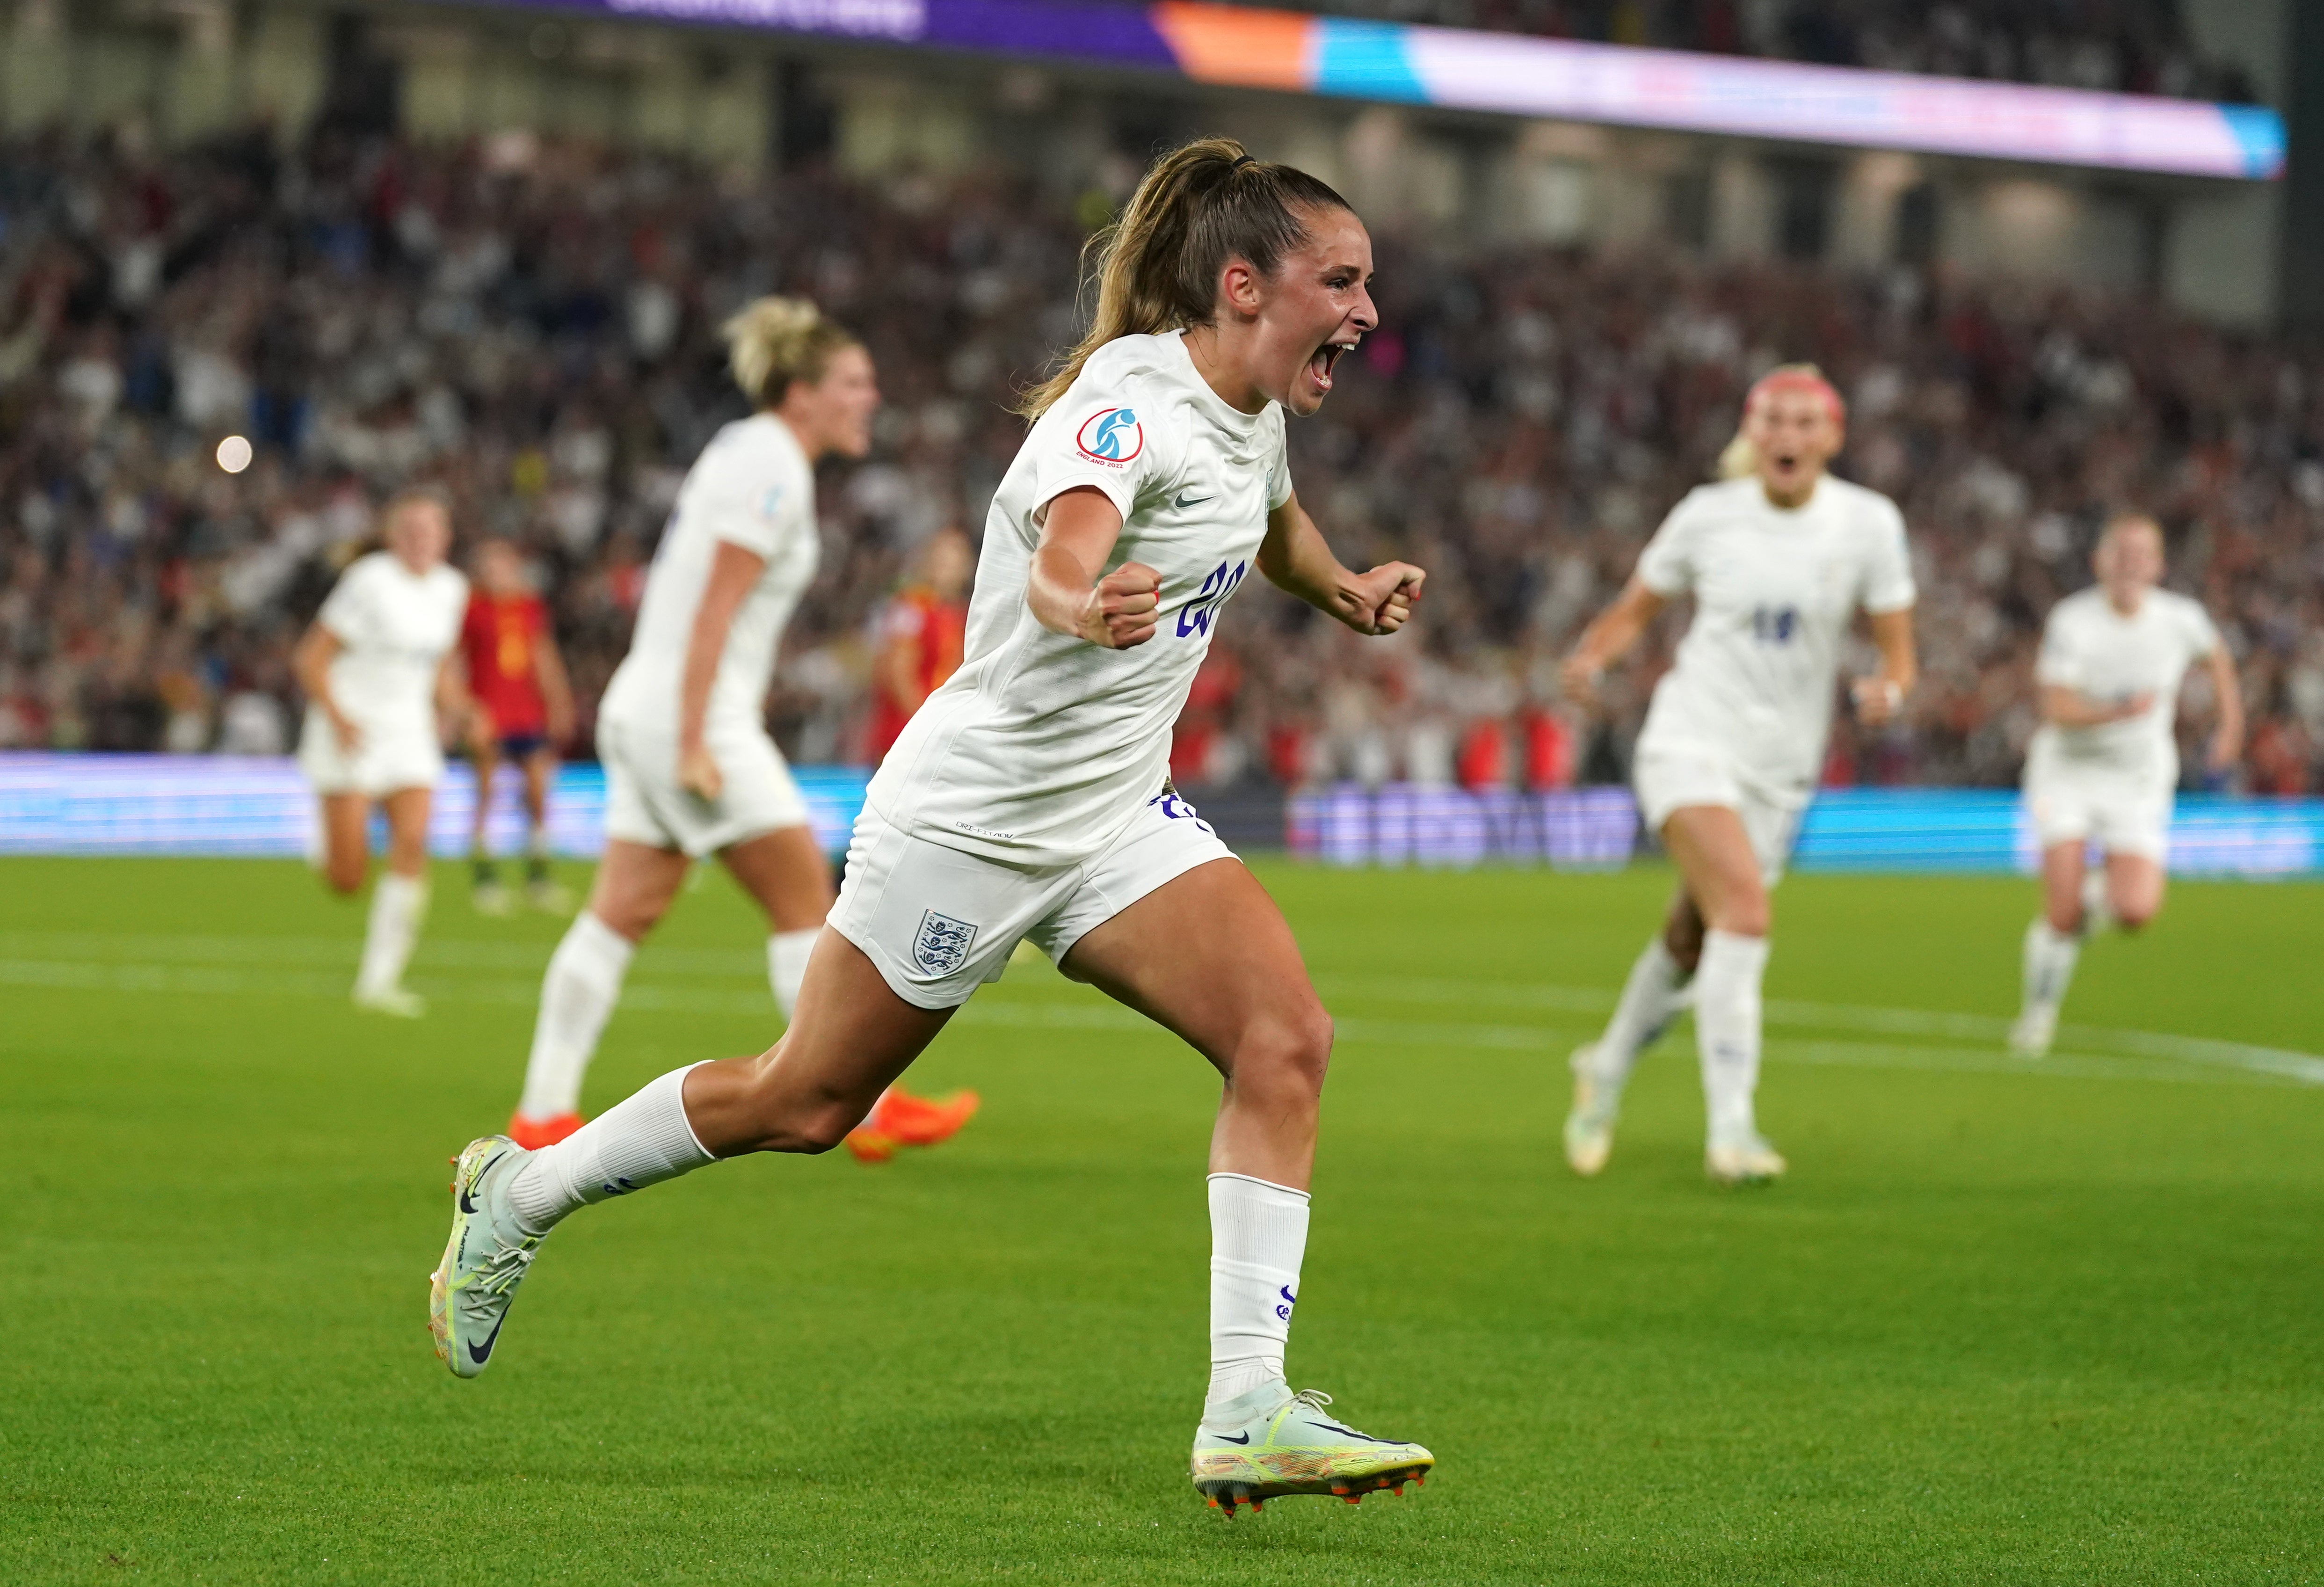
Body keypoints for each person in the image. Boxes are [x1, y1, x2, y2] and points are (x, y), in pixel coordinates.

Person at [431, 138, 1437, 1514]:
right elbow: (1071, 547)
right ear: (1248, 285)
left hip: (1114, 815)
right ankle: (521, 1192)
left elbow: (1270, 521)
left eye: (1366, 279)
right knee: (807, 1099)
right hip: (976, 814)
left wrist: (1348, 588)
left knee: (1287, 1036)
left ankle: (1247, 1401)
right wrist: (1082, 604)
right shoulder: (1124, 409)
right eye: (1344, 279)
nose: (1368, 308)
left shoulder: (1249, 408)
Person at [499, 296, 977, 1163]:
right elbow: (714, 609)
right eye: (852, 382)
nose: (869, 397)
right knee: (808, 903)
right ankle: (864, 1112)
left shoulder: (743, 450)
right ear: (800, 393)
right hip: (692, 718)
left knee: (623, 907)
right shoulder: (772, 467)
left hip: (650, 708)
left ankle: (541, 1112)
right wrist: (693, 737)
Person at [1559, 365, 1918, 1185]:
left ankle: (1605, 1066)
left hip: (1781, 770)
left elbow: (1898, 646)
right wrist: (1591, 659)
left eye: (1803, 423)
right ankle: (1731, 1131)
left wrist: (1889, 689)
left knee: (1693, 934)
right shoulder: (1706, 515)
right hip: (1689, 739)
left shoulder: (1867, 524)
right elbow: (1634, 610)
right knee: (1745, 915)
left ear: (1831, 436)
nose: (1787, 437)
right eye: (1772, 422)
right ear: (1751, 435)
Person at [2008, 514, 2242, 1057]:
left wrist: (2231, 726)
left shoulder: (2181, 618)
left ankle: (2092, 900)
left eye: (2143, 553)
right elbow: (2056, 707)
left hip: (2138, 779)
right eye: (2121, 551)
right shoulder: (2074, 621)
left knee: (2135, 911)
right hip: (2067, 773)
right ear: (2100, 560)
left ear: (2159, 565)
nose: (2131, 562)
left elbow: (2219, 659)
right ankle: (2038, 1014)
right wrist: (2119, 710)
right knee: (2061, 913)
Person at [291, 488, 471, 1017]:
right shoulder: (368, 581)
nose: (420, 540)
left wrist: (460, 709)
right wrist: (340, 717)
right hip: (352, 728)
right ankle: (323, 835)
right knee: (347, 880)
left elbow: (438, 665)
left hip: (409, 733)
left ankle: (380, 981)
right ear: (393, 537)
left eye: (430, 530)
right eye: (410, 531)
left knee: (413, 844)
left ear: (445, 538)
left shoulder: (452, 588)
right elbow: (311, 658)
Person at [459, 537, 576, 915]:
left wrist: (558, 702)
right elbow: (454, 660)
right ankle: (485, 879)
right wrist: (460, 711)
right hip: (487, 713)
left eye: (503, 565)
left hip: (526, 713)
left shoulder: (529, 608)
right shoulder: (471, 610)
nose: (498, 573)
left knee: (539, 792)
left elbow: (543, 656)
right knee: (486, 793)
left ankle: (539, 877)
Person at [863, 524, 973, 765]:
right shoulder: (911, 607)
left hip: (938, 733)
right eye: (940, 560)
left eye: (953, 563)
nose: (945, 570)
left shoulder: (960, 615)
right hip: (906, 734)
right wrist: (927, 725)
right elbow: (897, 673)